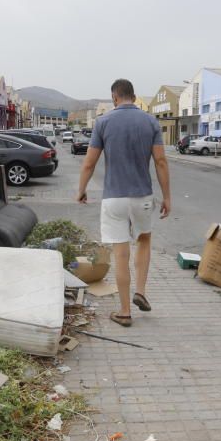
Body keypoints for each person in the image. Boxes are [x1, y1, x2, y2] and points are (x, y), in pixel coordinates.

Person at [77, 79, 171, 328]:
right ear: (134, 96)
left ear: (115, 98)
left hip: (114, 198)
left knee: (120, 254)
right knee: (144, 241)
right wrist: (167, 197)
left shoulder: (103, 122)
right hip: (143, 197)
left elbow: (89, 163)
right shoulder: (150, 121)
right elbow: (161, 162)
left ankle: (125, 311)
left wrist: (82, 190)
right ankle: (140, 290)